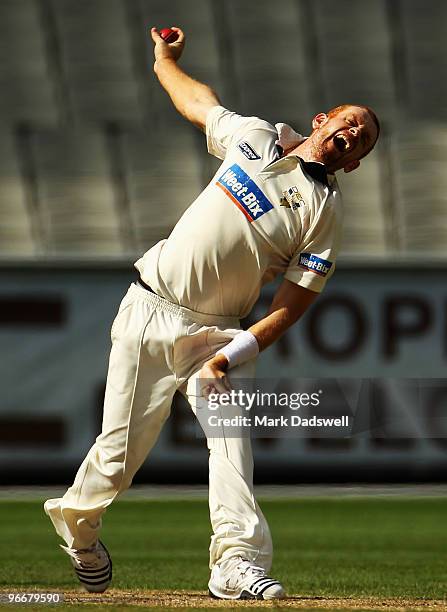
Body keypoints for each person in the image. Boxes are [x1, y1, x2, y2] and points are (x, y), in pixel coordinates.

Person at [44, 26, 380, 600]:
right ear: (322, 118)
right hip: (149, 308)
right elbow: (198, 103)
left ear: (353, 164)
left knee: (232, 448)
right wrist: (163, 60)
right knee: (117, 457)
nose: (354, 134)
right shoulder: (252, 137)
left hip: (217, 334)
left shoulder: (324, 212)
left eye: (365, 140)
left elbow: (291, 306)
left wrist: (237, 349)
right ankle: (79, 525)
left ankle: (236, 562)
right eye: (350, 121)